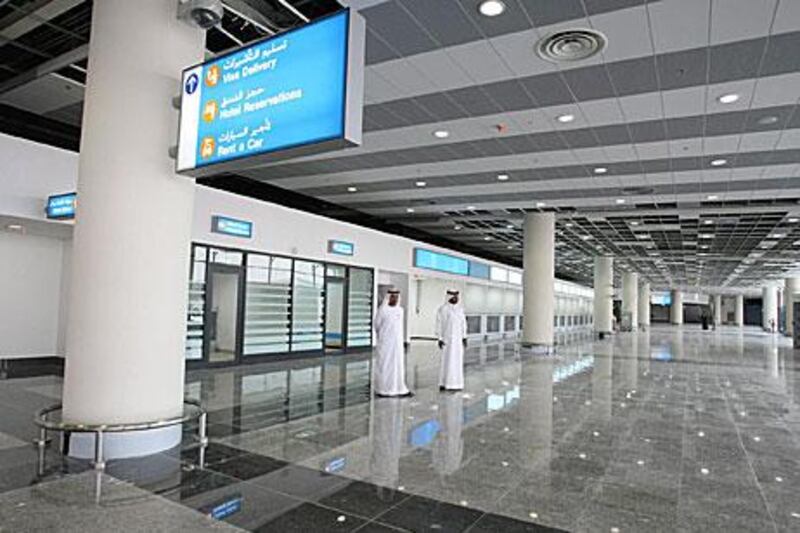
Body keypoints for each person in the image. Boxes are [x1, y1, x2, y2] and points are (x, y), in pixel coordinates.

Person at [373, 289, 412, 397]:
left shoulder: (400, 310)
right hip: (385, 344)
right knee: (385, 366)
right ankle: (384, 389)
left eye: (396, 296)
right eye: (392, 296)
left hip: (397, 345)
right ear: (388, 297)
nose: (394, 299)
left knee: (397, 366)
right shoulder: (382, 310)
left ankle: (398, 388)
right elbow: (377, 325)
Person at [436, 290, 467, 391]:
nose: (456, 298)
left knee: (457, 361)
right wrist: (440, 338)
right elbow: (439, 324)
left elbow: (463, 324)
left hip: (458, 341)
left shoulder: (460, 309)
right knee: (447, 361)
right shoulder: (443, 309)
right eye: (454, 296)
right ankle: (444, 383)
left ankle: (456, 383)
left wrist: (464, 337)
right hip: (447, 340)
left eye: (457, 296)